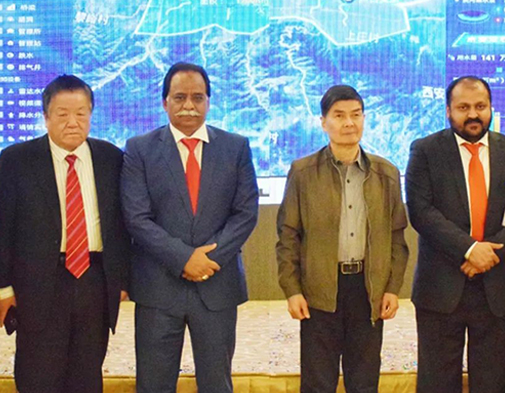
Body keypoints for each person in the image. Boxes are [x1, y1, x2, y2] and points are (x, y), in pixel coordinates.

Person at [120, 62, 259, 393]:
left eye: (198, 97)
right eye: (179, 97)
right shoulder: (139, 149)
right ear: (164, 102)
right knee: (153, 385)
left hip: (216, 285)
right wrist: (184, 259)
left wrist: (206, 261)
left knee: (216, 384)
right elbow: (137, 218)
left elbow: (245, 213)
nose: (189, 106)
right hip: (158, 288)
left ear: (208, 101)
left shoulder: (235, 147)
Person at [406, 76, 505, 393]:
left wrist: (489, 254)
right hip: (440, 288)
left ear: (491, 107)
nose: (473, 115)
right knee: (436, 384)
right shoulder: (426, 150)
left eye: (480, 106)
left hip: (496, 288)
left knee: (492, 384)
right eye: (463, 107)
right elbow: (422, 212)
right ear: (448, 111)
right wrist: (469, 250)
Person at [0, 75, 131, 393]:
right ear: (46, 117)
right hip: (38, 285)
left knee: (86, 378)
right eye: (62, 114)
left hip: (94, 281)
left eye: (81, 113)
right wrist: (3, 287)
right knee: (38, 377)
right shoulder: (16, 161)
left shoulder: (111, 159)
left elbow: (124, 225)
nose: (73, 122)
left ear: (91, 114)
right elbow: (3, 227)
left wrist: (123, 280)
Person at [276, 85, 409, 392]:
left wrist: (392, 287)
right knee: (318, 381)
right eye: (339, 116)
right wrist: (292, 289)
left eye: (356, 115)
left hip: (368, 289)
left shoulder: (386, 173)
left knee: (364, 381)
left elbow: (397, 237)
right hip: (320, 289)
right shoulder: (303, 172)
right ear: (323, 122)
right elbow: (288, 236)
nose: (349, 123)